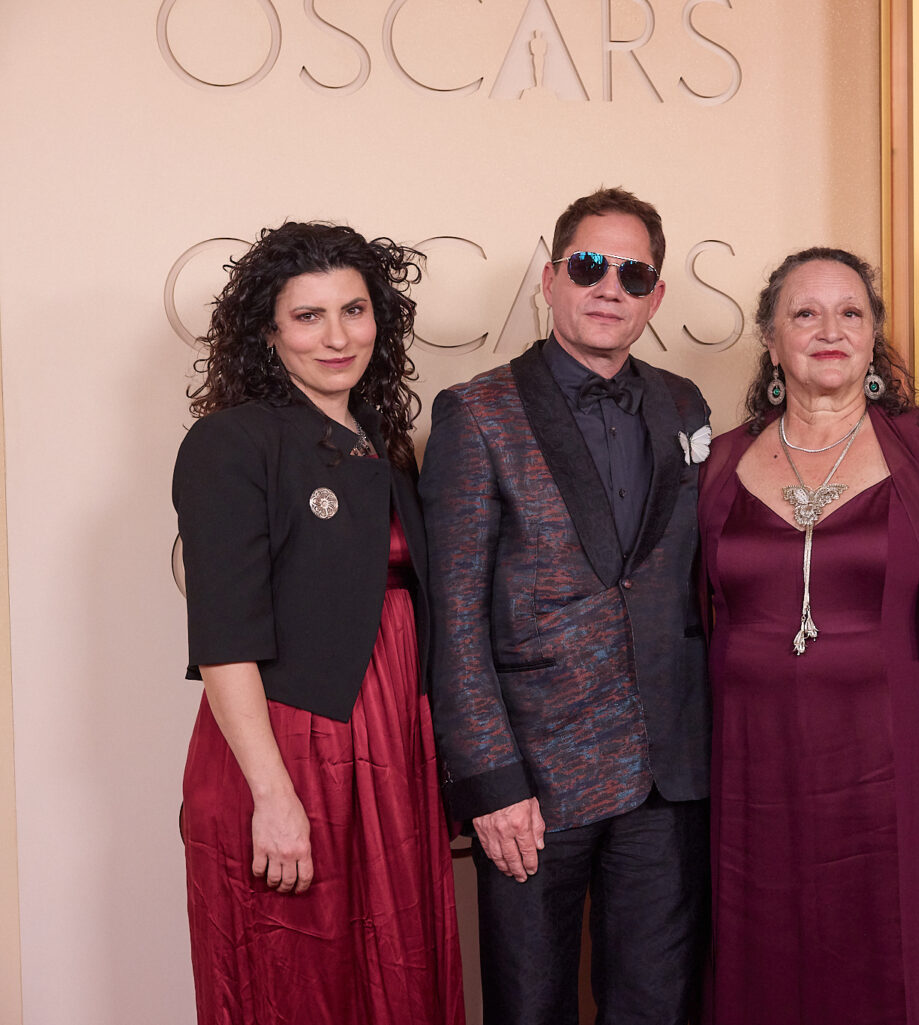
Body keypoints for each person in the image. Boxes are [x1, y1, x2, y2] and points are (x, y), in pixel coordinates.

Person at [419, 188, 711, 1024]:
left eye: (633, 272)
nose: (609, 286)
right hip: (535, 784)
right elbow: (456, 618)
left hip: (669, 772)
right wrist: (493, 781)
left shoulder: (686, 403)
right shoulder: (476, 413)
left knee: (660, 1006)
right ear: (550, 279)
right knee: (530, 1006)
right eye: (589, 265)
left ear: (655, 297)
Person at [698, 247, 919, 1025]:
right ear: (771, 339)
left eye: (850, 312)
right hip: (749, 764)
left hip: (893, 762)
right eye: (805, 313)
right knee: (759, 960)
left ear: (874, 337)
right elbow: (695, 615)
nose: (829, 330)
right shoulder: (721, 462)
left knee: (893, 964)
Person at [172, 221, 464, 1025]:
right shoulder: (231, 443)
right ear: (267, 332)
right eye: (308, 316)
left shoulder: (382, 444)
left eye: (355, 310)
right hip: (292, 749)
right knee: (298, 979)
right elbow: (226, 640)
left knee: (392, 969)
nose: (337, 336)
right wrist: (272, 794)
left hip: (391, 747)